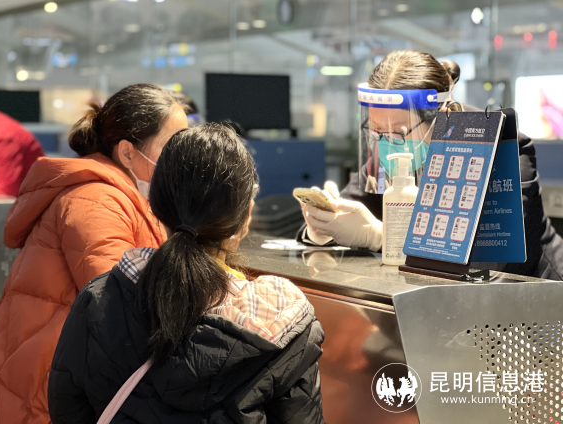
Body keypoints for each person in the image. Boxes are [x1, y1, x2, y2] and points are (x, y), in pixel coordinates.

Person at [48, 124, 325, 423]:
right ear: (245, 216)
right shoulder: (284, 325)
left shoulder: (99, 300)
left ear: (157, 207)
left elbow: (67, 409)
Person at [0, 84, 188, 424]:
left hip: (41, 376)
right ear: (127, 153)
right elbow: (123, 310)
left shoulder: (123, 195)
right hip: (39, 390)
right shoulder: (97, 202)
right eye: (172, 146)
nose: (181, 158)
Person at [299, 50, 563, 280]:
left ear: (440, 118)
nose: (386, 143)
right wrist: (323, 226)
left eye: (398, 131)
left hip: (535, 298)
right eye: (376, 131)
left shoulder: (501, 146)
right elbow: (345, 216)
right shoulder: (388, 149)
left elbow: (484, 264)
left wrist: (380, 237)